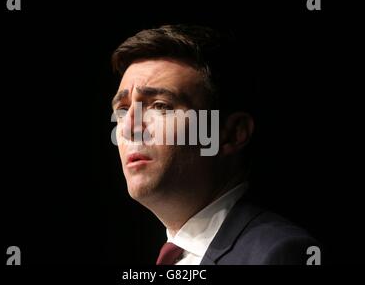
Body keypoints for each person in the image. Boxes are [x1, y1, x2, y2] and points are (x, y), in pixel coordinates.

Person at [110, 24, 320, 265]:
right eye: (123, 110)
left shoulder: (278, 254)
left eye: (160, 106)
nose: (128, 129)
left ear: (231, 134)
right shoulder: (176, 256)